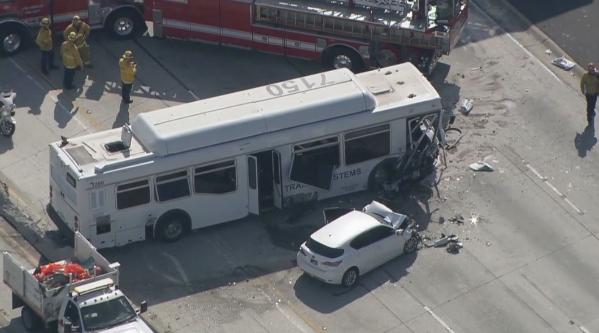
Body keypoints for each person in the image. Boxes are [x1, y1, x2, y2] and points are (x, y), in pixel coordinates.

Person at [581, 63, 599, 128]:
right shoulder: (585, 75)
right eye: (590, 69)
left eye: (593, 68)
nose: (592, 70)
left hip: (595, 93)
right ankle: (589, 118)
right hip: (588, 94)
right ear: (588, 69)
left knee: (593, 104)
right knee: (589, 106)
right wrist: (583, 91)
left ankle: (592, 110)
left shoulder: (597, 75)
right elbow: (582, 83)